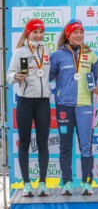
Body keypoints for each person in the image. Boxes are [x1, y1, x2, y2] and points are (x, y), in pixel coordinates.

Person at [50, 19, 98, 196]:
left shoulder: (90, 53)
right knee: (65, 146)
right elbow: (48, 77)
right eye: (75, 32)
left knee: (86, 146)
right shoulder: (57, 55)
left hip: (85, 106)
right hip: (64, 106)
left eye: (81, 32)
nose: (79, 35)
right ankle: (67, 183)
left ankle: (87, 182)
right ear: (68, 34)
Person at [7, 19, 51, 197]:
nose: (38, 35)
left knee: (43, 143)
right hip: (25, 102)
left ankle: (42, 183)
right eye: (35, 32)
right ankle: (26, 183)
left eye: (41, 32)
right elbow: (9, 74)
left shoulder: (46, 50)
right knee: (24, 142)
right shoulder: (19, 52)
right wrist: (15, 76)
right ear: (28, 33)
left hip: (43, 103)